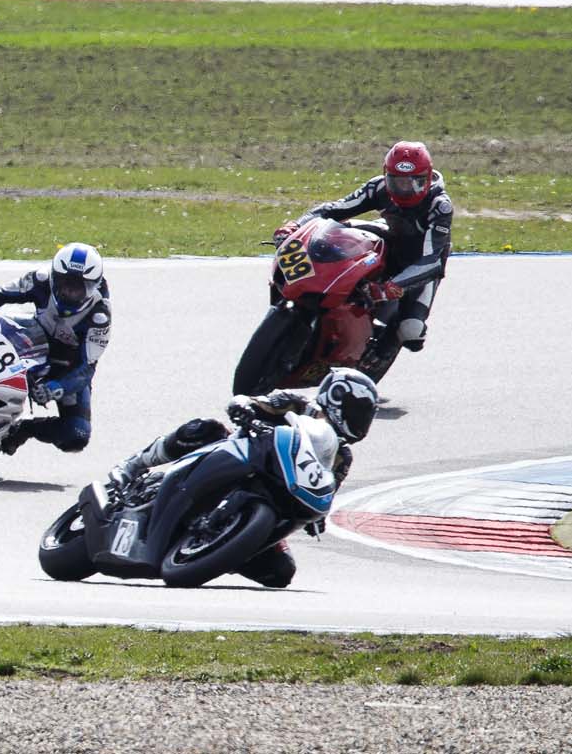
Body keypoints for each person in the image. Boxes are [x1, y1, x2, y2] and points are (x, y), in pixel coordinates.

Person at [107, 368, 379, 589]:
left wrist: (317, 519)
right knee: (206, 428)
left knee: (281, 573)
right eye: (360, 410)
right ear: (338, 396)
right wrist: (245, 407)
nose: (361, 420)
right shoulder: (297, 404)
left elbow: (327, 492)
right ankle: (135, 464)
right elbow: (255, 401)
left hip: (275, 497)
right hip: (236, 457)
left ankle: (217, 549)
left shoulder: (342, 456)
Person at [273, 141, 452, 368]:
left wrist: (392, 286)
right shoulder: (378, 187)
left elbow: (432, 260)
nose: (404, 189)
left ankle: (380, 354)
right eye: (396, 181)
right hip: (389, 238)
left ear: (425, 179)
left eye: (412, 183)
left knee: (410, 330)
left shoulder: (439, 205)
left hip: (419, 265)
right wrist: (295, 225)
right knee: (335, 235)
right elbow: (334, 209)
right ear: (386, 175)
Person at [0, 243, 110, 456]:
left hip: (63, 366)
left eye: (78, 287)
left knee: (76, 435)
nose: (70, 292)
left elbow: (86, 369)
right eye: (64, 283)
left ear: (92, 286)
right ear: (54, 277)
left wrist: (56, 387)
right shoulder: (40, 280)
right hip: (31, 336)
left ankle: (19, 431)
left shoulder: (99, 317)